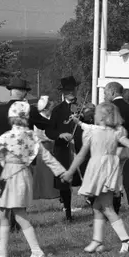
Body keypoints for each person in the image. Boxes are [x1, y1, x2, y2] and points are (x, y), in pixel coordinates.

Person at [0, 101, 65, 257]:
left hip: (10, 176)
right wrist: (62, 172)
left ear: (11, 117)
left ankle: (36, 250)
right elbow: (47, 157)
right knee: (3, 212)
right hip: (21, 176)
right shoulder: (32, 137)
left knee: (19, 215)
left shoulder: (7, 136)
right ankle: (1, 251)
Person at [63, 101, 129, 253]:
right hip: (102, 173)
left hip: (104, 174)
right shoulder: (99, 132)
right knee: (97, 207)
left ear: (103, 117)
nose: (93, 115)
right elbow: (82, 154)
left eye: (96, 113)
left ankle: (126, 241)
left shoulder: (112, 132)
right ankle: (97, 241)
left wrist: (69, 172)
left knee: (107, 208)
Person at [47, 76, 83, 223]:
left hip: (81, 149)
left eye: (73, 89)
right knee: (64, 183)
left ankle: (99, 210)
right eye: (68, 90)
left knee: (87, 178)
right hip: (63, 150)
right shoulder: (57, 110)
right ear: (63, 92)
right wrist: (60, 135)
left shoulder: (83, 107)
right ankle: (68, 213)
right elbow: (49, 131)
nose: (71, 93)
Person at [104, 82, 129, 213]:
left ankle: (112, 208)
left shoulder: (110, 107)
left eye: (105, 92)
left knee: (111, 180)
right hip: (124, 147)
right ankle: (117, 209)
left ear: (113, 92)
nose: (104, 95)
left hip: (112, 148)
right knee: (119, 178)